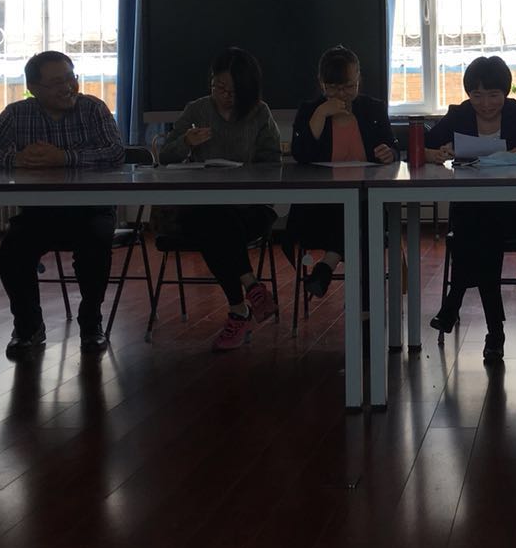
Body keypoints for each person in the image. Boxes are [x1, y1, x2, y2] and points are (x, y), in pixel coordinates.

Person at [0, 50, 125, 356]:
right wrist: (16, 159)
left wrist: (64, 158)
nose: (68, 87)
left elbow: (116, 152)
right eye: (56, 83)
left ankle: (91, 325)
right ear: (34, 88)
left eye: (71, 78)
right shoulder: (18, 114)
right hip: (40, 213)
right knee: (12, 253)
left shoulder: (93, 109)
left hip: (91, 209)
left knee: (95, 245)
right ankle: (28, 327)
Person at [425, 56, 516, 363]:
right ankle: (494, 333)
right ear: (468, 94)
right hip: (474, 210)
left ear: (505, 92)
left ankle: (454, 302)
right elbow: (422, 146)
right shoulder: (459, 114)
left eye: (493, 95)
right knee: (482, 234)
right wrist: (436, 154)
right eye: (477, 95)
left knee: (475, 236)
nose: (485, 104)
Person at [159, 47, 283, 351]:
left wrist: (247, 172)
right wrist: (185, 143)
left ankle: (239, 310)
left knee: (213, 226)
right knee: (211, 218)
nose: (224, 96)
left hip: (250, 208)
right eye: (218, 87)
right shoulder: (197, 110)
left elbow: (273, 163)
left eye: (233, 90)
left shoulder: (259, 112)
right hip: (204, 207)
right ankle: (250, 286)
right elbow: (165, 156)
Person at [288, 46, 397, 296]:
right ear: (321, 83)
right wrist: (320, 114)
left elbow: (392, 146)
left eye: (349, 87)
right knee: (361, 223)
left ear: (358, 79)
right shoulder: (310, 110)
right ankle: (367, 304)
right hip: (319, 206)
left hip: (365, 200)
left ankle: (327, 266)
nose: (342, 95)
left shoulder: (372, 109)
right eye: (333, 88)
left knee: (364, 216)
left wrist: (389, 153)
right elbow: (301, 155)